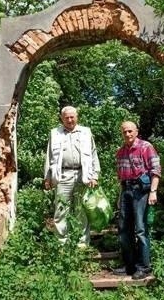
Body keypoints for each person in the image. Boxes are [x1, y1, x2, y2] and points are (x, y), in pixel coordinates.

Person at [44, 106, 100, 247]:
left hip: (83, 174)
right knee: (61, 211)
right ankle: (62, 245)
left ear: (77, 117)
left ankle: (82, 245)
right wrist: (47, 177)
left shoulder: (86, 132)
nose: (69, 120)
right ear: (62, 118)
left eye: (72, 117)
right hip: (62, 175)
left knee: (81, 211)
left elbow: (93, 154)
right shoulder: (55, 133)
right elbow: (49, 156)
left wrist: (95, 175)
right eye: (66, 117)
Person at [113, 121, 161, 280]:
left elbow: (156, 170)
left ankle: (144, 267)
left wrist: (153, 191)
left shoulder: (146, 147)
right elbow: (120, 177)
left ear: (136, 131)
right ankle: (129, 265)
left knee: (140, 229)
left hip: (141, 191)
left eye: (130, 131)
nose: (127, 134)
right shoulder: (120, 152)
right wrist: (120, 196)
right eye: (124, 132)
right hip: (126, 190)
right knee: (124, 230)